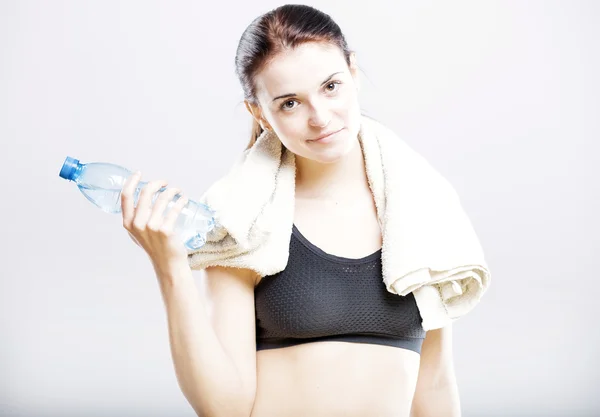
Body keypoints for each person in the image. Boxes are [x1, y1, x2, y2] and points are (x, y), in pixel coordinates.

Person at [120, 4, 461, 417]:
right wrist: (170, 267)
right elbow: (222, 408)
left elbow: (436, 385)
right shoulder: (242, 219)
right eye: (290, 103)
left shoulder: (417, 206)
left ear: (352, 73)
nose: (319, 117)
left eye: (331, 86)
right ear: (259, 112)